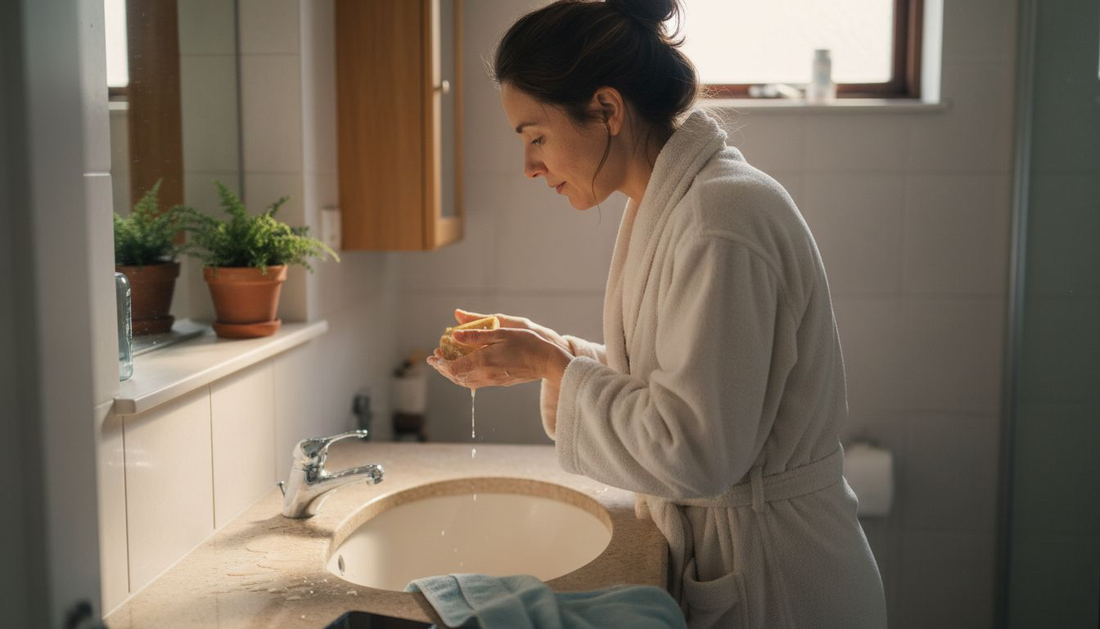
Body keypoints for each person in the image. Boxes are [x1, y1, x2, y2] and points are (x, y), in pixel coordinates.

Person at [426, 0, 887, 627]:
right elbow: (678, 385)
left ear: (608, 109)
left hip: (783, 581)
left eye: (536, 136)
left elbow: (694, 450)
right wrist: (551, 353)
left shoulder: (720, 219)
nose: (529, 166)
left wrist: (555, 366)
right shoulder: (675, 204)